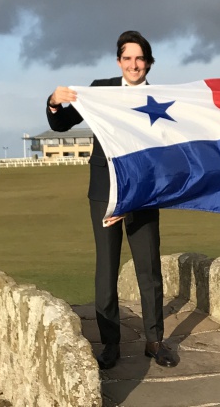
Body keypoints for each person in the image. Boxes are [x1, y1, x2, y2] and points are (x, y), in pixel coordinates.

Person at [45, 31, 178, 369]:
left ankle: (154, 341)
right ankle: (111, 345)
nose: (134, 65)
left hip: (145, 194)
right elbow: (61, 124)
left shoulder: (162, 99)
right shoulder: (100, 90)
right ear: (119, 61)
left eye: (140, 58)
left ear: (148, 62)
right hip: (105, 193)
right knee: (106, 270)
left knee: (148, 269)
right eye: (128, 58)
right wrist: (54, 100)